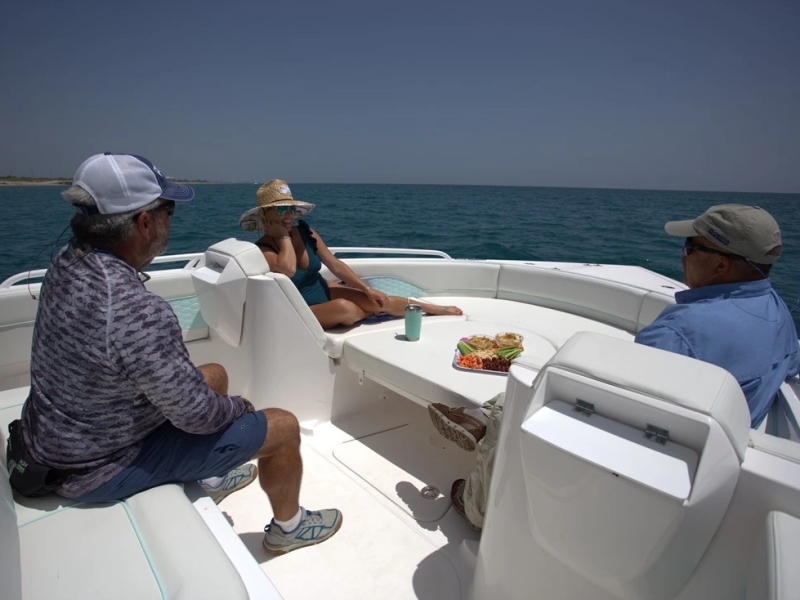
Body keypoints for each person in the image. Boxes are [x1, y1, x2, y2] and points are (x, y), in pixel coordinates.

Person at [7, 154, 341, 554]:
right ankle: (289, 528)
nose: (171, 219)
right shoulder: (135, 308)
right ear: (144, 222)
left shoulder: (67, 262)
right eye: (169, 210)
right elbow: (198, 416)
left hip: (61, 434)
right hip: (94, 467)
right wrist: (242, 408)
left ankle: (213, 479)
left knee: (215, 373)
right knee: (282, 426)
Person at [429, 204, 800, 531]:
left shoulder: (681, 330)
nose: (682, 256)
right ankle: (482, 417)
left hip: (647, 455)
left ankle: (476, 504)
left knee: (522, 397)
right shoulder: (778, 313)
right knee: (533, 384)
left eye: (690, 247)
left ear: (721, 264)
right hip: (712, 456)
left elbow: (621, 405)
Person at [239, 179, 463, 329]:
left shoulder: (306, 232)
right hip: (299, 310)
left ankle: (432, 309)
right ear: (265, 215)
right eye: (281, 209)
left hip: (324, 291)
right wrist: (283, 237)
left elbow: (334, 264)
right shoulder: (263, 248)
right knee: (345, 308)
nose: (289, 215)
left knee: (378, 299)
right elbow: (287, 269)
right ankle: (366, 313)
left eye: (291, 208)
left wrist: (366, 288)